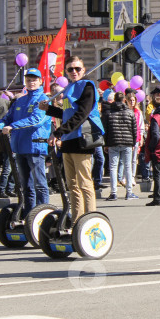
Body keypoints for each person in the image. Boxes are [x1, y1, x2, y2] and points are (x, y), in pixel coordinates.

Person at [38, 56, 104, 222]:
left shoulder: (87, 86)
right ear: (65, 72)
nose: (74, 72)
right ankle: (76, 220)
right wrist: (49, 109)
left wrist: (58, 132)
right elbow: (66, 114)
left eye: (77, 69)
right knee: (72, 185)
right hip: (68, 140)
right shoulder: (68, 88)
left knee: (85, 183)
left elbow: (82, 115)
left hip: (82, 139)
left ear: (83, 69)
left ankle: (90, 220)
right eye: (70, 69)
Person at [0, 68, 52, 210]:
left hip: (35, 147)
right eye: (28, 80)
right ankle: (29, 214)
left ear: (40, 81)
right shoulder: (20, 101)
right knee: (26, 186)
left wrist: (12, 126)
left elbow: (36, 120)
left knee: (40, 184)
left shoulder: (43, 99)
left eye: (34, 80)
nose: (31, 82)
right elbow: (8, 118)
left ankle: (43, 212)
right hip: (19, 148)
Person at [103, 91, 139, 201]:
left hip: (113, 142)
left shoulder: (109, 113)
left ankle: (113, 192)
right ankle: (129, 192)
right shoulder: (129, 112)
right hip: (127, 142)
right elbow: (134, 129)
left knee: (113, 167)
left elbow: (106, 130)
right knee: (128, 166)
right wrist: (133, 142)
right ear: (124, 100)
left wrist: (106, 143)